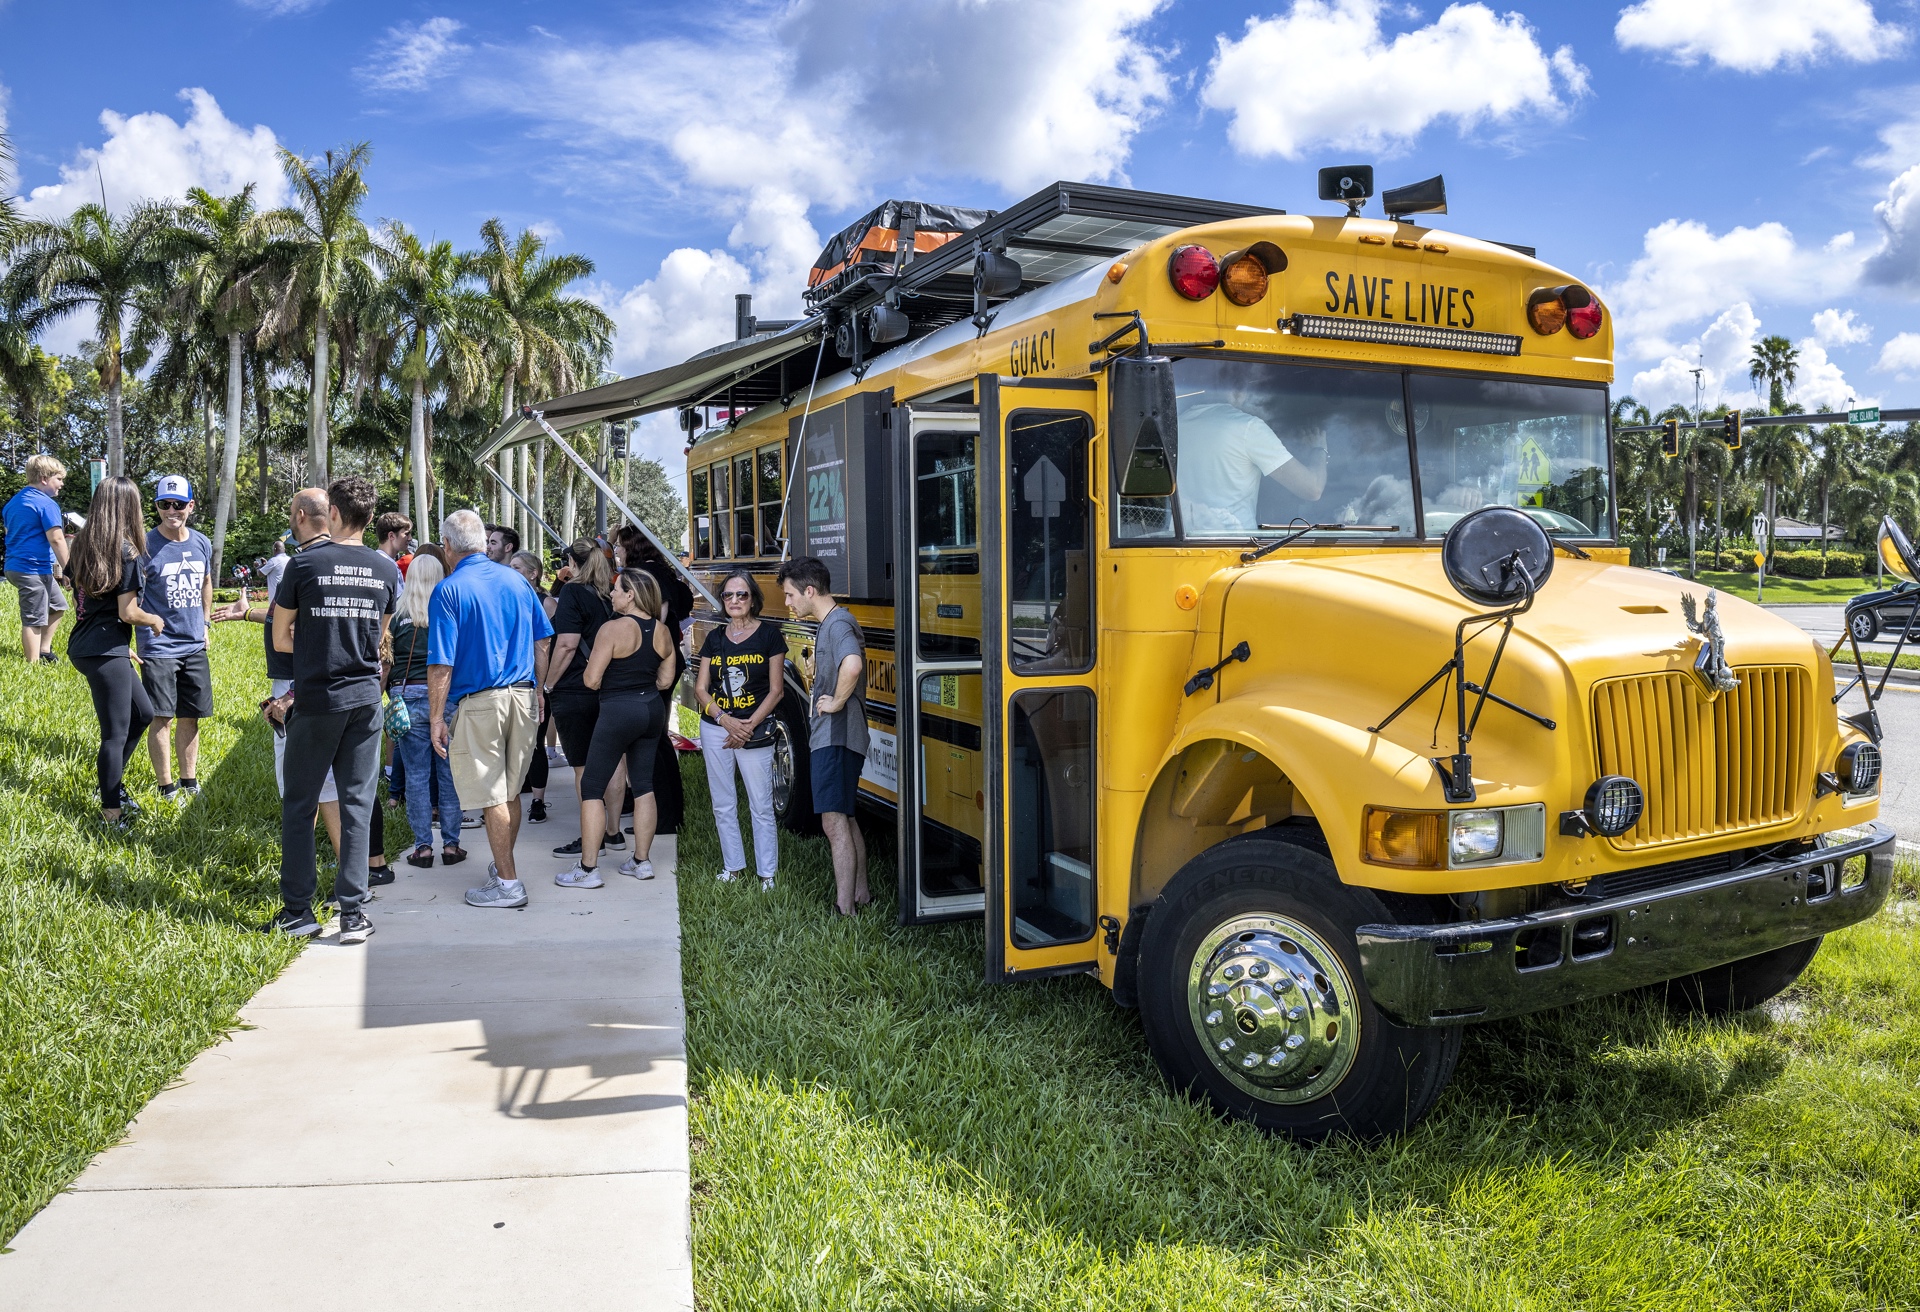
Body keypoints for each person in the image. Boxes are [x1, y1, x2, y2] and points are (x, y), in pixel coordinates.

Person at [261, 476, 401, 944]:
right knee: (358, 804)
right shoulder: (386, 571)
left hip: (319, 697)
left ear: (334, 514)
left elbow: (281, 638)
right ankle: (353, 914)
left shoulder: (304, 566)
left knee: (300, 804)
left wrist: (317, 638)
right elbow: (378, 637)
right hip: (365, 699)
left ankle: (298, 910)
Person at [429, 509, 553, 910]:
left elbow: (441, 664)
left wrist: (435, 717)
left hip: (481, 701)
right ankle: (503, 870)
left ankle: (509, 884)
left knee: (492, 795)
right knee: (511, 791)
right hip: (523, 696)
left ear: (448, 546)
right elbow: (543, 642)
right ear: (483, 544)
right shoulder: (518, 581)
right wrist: (538, 688)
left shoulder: (449, 589)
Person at [562, 568, 675, 888]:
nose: (611, 594)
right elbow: (666, 680)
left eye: (616, 589)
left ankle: (587, 869)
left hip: (617, 710)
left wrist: (618, 684)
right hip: (651, 709)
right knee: (643, 786)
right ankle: (642, 862)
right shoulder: (662, 631)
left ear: (631, 595)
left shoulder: (611, 630)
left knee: (592, 788)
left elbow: (591, 679)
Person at [66, 476, 163, 829]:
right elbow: (128, 612)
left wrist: (123, 650)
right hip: (103, 649)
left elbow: (81, 594)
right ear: (130, 508)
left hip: (92, 646)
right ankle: (111, 813)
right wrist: (153, 620)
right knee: (115, 733)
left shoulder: (82, 546)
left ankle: (110, 786)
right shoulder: (127, 551)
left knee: (143, 714)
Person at [777, 556, 869, 916]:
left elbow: (853, 664)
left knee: (832, 822)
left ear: (809, 591)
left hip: (837, 736)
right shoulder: (832, 622)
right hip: (839, 737)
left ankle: (843, 908)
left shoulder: (838, 624)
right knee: (844, 817)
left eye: (789, 595)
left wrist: (836, 703)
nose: (787, 602)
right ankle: (861, 895)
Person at [695, 569, 785, 890]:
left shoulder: (770, 636)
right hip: (717, 727)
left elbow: (776, 691)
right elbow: (701, 689)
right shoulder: (715, 638)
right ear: (722, 601)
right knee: (723, 803)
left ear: (753, 599)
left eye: (742, 594)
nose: (735, 600)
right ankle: (733, 868)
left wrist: (747, 724)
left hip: (754, 729)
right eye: (728, 595)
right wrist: (725, 720)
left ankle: (767, 875)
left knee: (760, 805)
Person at [543, 539, 627, 860]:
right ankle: (613, 831)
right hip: (610, 686)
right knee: (614, 760)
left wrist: (549, 684)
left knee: (582, 767)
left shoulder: (572, 594)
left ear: (572, 564)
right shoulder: (611, 596)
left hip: (576, 689)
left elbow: (566, 645)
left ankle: (591, 838)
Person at [138, 475, 214, 805]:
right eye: (164, 504)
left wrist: (206, 623)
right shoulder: (142, 545)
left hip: (194, 643)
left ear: (190, 506)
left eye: (179, 504)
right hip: (158, 646)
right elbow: (129, 597)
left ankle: (189, 780)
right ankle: (166, 787)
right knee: (162, 716)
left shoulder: (201, 542)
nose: (172, 510)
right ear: (155, 506)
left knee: (191, 714)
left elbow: (207, 582)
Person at [388, 550, 466, 867]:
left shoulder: (396, 616)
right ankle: (451, 845)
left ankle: (422, 848)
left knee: (417, 778)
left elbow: (385, 660)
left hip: (406, 700)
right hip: (445, 698)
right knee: (449, 776)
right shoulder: (449, 611)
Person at [616, 525, 692, 834]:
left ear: (632, 545)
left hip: (656, 664)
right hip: (665, 661)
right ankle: (666, 810)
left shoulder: (646, 575)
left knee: (653, 742)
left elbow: (655, 621)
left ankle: (663, 816)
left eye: (620, 545)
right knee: (657, 740)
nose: (617, 550)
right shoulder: (661, 570)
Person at [1174, 390, 1328, 535]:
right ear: (1239, 390)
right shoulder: (1248, 427)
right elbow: (1312, 489)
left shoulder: (1177, 426)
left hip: (1178, 547)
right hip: (1233, 547)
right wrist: (1319, 449)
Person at [5, 453, 72, 664]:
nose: (61, 484)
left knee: (58, 606)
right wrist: (70, 570)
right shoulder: (47, 504)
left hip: (18, 566)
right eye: (58, 479)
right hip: (29, 569)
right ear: (44, 478)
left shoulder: (13, 503)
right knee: (34, 618)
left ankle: (44, 650)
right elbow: (57, 539)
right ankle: (32, 665)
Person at [509, 549, 555, 823]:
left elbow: (548, 644)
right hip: (511, 679)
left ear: (532, 573)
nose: (510, 570)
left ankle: (538, 801)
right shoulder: (508, 597)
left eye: (516, 567)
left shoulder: (546, 603)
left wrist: (544, 685)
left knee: (536, 743)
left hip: (536, 680)